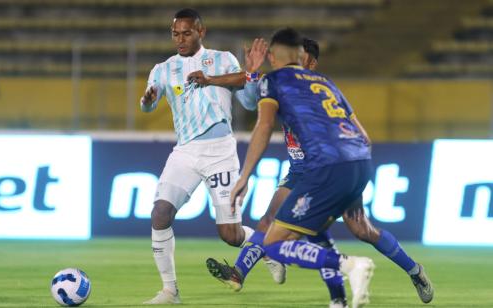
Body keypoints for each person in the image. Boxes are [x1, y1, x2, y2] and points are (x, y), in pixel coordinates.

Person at [215, 28, 435, 308]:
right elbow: (363, 136)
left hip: (323, 168)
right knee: (281, 223)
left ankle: (383, 271)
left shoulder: (281, 82)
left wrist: (245, 175)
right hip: (336, 163)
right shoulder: (324, 84)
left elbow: (262, 120)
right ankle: (246, 275)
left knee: (356, 230)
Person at [191, 39, 350, 308]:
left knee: (337, 235)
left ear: (311, 63)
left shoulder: (319, 90)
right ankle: (239, 274)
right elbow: (252, 85)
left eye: (303, 59)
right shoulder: (283, 83)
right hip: (297, 172)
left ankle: (360, 277)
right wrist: (241, 73)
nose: (297, 63)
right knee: (267, 223)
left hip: (322, 175)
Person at [139, 8, 268, 305]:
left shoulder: (224, 60)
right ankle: (170, 291)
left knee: (231, 235)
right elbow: (148, 102)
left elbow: (248, 103)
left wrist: (250, 72)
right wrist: (146, 102)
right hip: (185, 151)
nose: (180, 39)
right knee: (160, 213)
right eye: (175, 34)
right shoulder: (162, 68)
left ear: (201, 32)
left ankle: (264, 247)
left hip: (220, 151)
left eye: (186, 33)